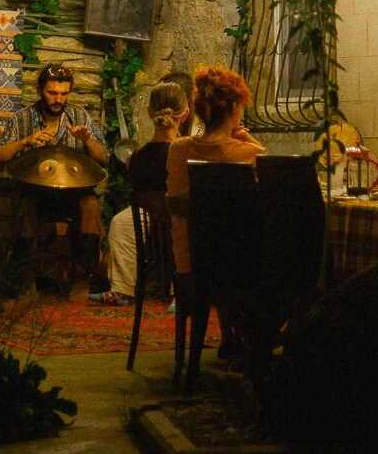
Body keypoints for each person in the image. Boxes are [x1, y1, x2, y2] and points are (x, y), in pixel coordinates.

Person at [0, 63, 109, 276]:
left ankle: (86, 274)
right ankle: (23, 277)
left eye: (64, 94)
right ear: (39, 90)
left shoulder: (79, 116)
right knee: (25, 205)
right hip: (35, 194)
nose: (58, 99)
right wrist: (25, 141)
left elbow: (104, 159)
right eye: (52, 93)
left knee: (90, 204)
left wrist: (87, 140)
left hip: (74, 194)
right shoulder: (22, 119)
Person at [90, 75, 192, 306]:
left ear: (148, 112)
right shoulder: (187, 151)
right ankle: (179, 294)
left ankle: (127, 288)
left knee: (122, 221)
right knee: (125, 223)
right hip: (176, 216)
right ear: (185, 114)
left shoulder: (136, 159)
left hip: (152, 215)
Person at [166, 65, 265, 276]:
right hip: (235, 265)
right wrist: (253, 143)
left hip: (189, 262)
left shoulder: (177, 149)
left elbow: (174, 202)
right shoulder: (249, 153)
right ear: (235, 107)